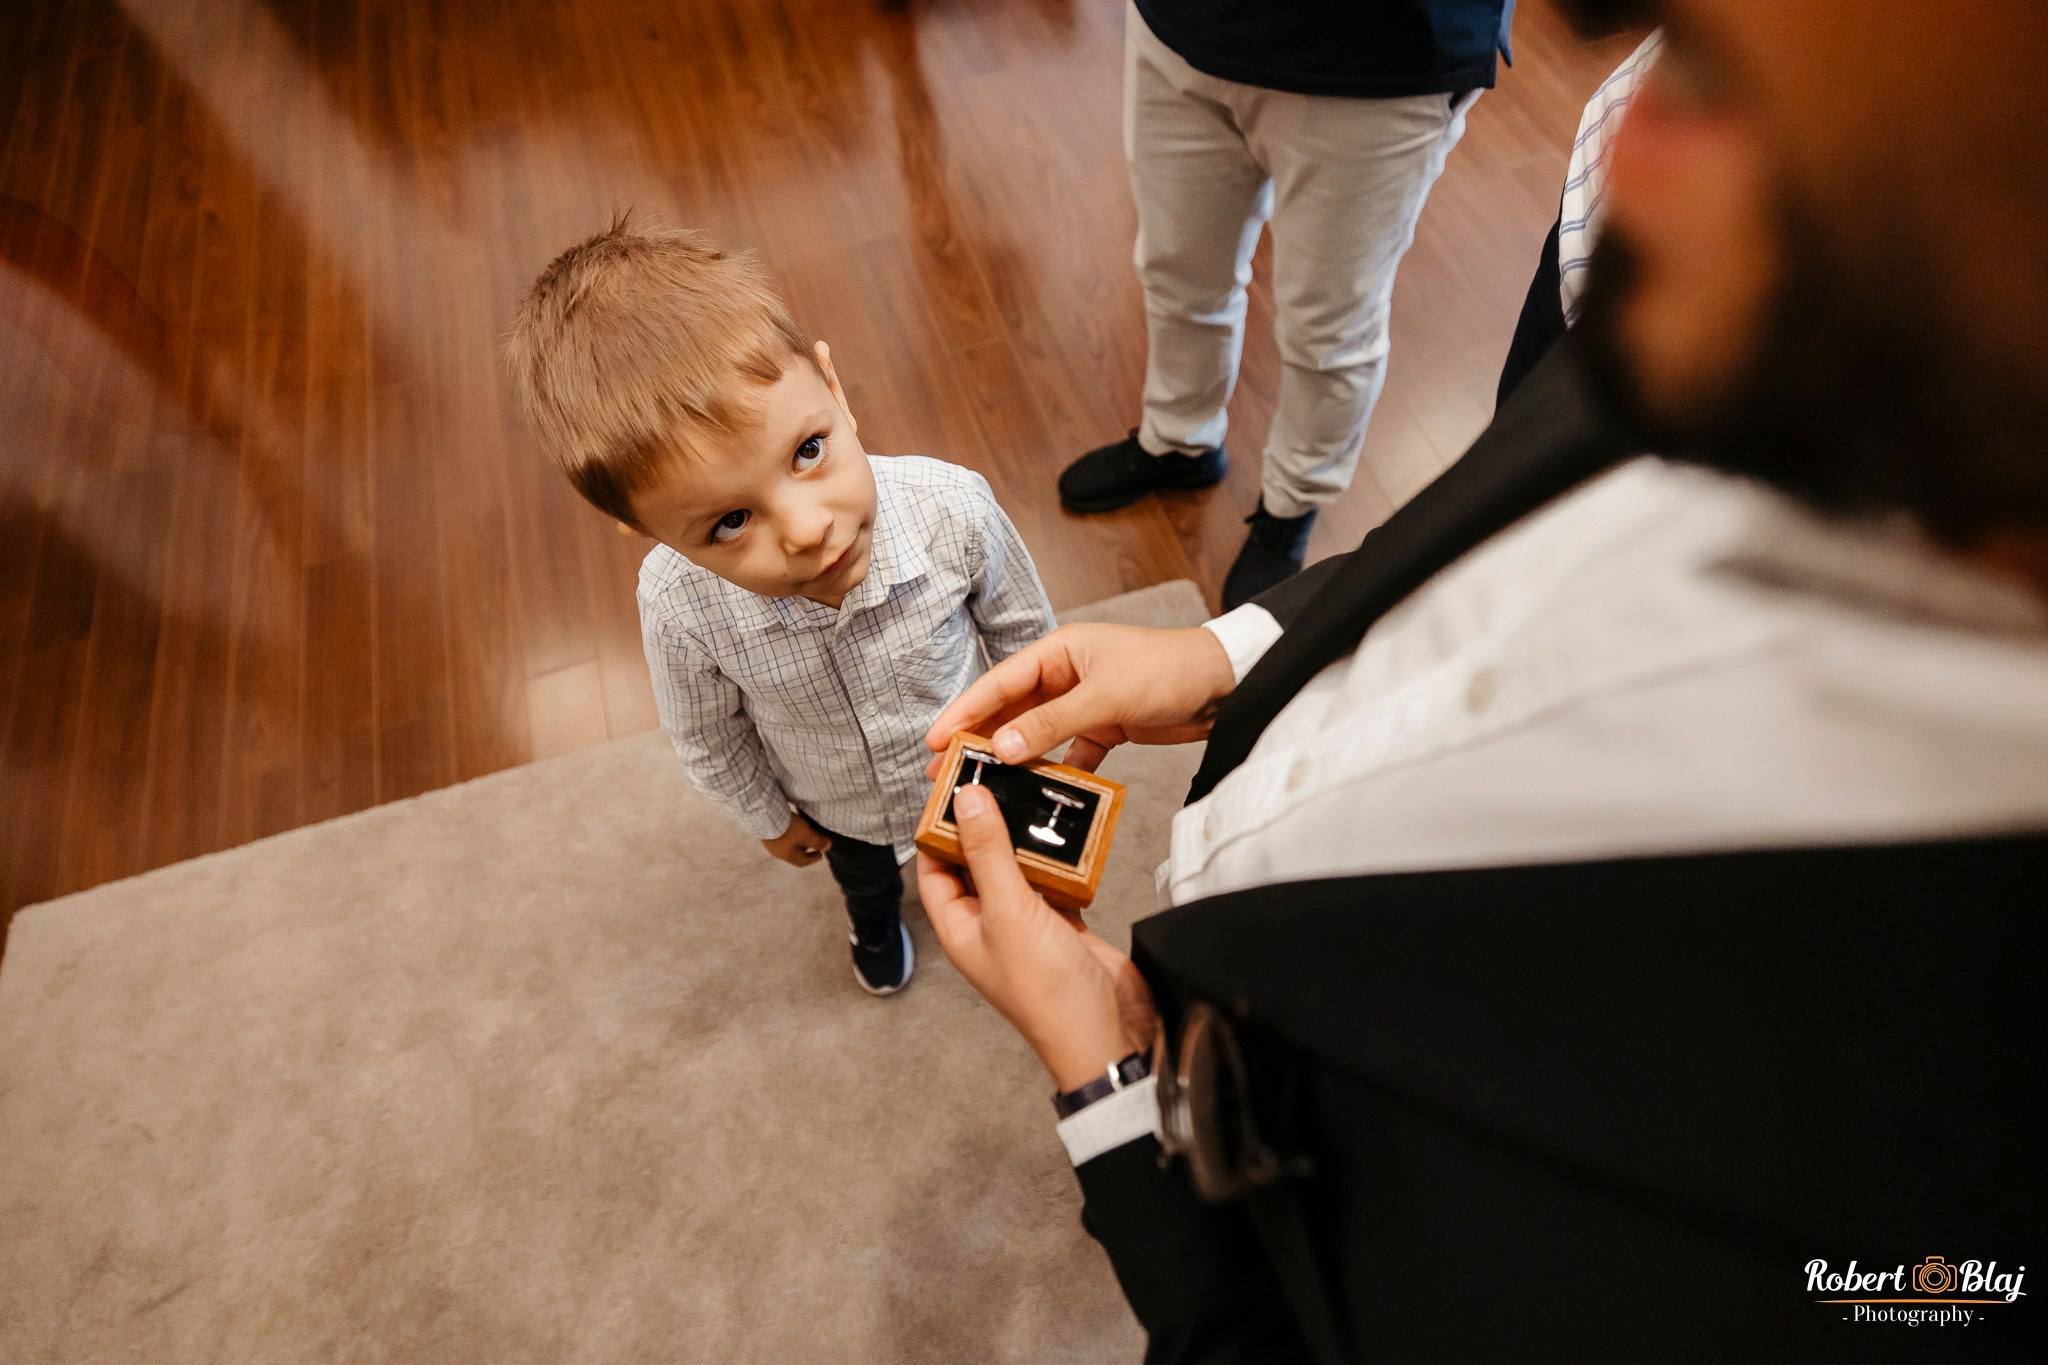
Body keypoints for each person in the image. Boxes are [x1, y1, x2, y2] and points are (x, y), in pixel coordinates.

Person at [919, 0, 2048, 1356]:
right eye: (1668, 47)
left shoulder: (1936, 1268)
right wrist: (1236, 653)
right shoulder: (1807, 300)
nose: (1605, 178)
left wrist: (1111, 1103)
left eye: (1727, 90)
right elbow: (1504, 513)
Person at [506, 221, 1054, 997]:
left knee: (983, 848)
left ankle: (992, 898)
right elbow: (706, 733)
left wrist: (1039, 733)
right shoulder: (677, 607)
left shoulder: (952, 508)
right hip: (839, 807)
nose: (806, 530)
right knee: (865, 880)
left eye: (807, 450)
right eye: (730, 522)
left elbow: (1023, 631)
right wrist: (769, 817)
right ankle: (874, 921)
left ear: (832, 388)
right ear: (649, 532)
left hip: (970, 766)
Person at [1058, 0, 1513, 611]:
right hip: (1181, 27)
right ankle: (1179, 441)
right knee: (1177, 271)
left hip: (1381, 62)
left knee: (1329, 331)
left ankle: (1290, 505)